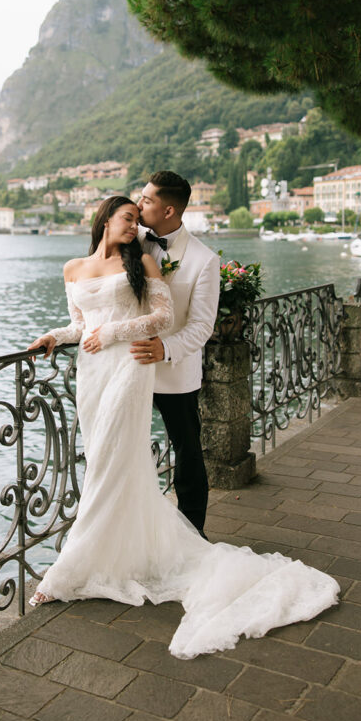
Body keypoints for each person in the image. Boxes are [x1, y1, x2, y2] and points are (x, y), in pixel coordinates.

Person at [27, 194, 339, 660]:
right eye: (127, 218)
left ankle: (67, 572)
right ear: (105, 219)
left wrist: (112, 333)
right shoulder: (73, 268)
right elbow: (81, 326)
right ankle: (116, 552)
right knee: (103, 460)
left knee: (109, 462)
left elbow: (164, 317)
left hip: (130, 365)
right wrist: (55, 336)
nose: (134, 226)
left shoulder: (142, 264)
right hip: (92, 375)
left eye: (137, 219)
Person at [134, 171, 219, 537]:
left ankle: (193, 534)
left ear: (168, 210)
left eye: (147, 200)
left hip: (175, 373)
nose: (139, 204)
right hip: (129, 367)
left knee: (187, 453)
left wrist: (165, 349)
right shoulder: (130, 239)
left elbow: (202, 326)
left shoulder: (203, 260)